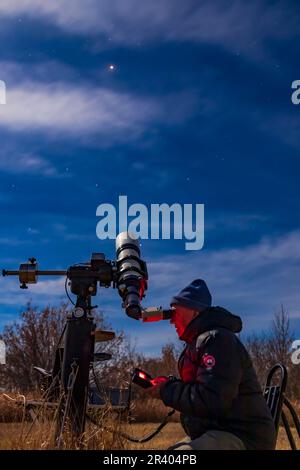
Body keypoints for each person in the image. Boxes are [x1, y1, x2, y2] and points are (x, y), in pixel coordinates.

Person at [146, 279, 277, 450]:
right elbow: (203, 388)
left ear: (194, 311)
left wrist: (166, 390)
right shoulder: (201, 343)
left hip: (244, 436)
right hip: (218, 432)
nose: (171, 320)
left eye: (175, 312)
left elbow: (211, 399)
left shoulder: (218, 340)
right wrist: (169, 385)